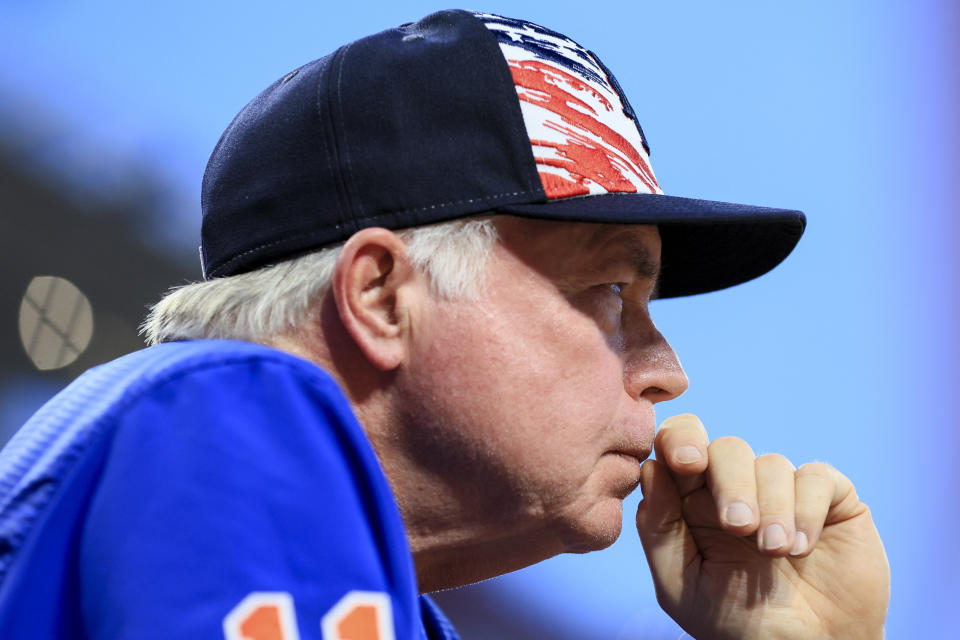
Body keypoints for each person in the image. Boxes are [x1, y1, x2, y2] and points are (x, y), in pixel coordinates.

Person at [0, 9, 889, 640]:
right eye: (612, 292)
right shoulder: (232, 408)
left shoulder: (399, 611)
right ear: (383, 296)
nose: (665, 370)